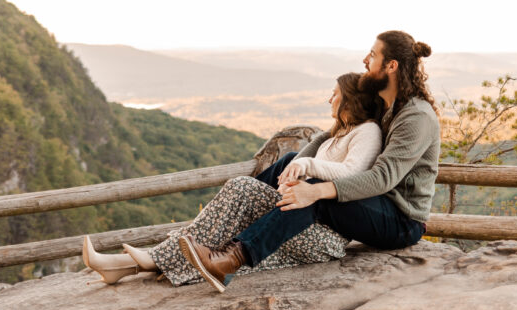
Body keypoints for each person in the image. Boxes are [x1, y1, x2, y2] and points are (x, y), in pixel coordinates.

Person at [177, 30, 440, 293]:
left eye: (372, 55)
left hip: (401, 219)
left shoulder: (415, 117)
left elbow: (383, 178)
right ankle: (231, 234)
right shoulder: (386, 105)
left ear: (391, 66)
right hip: (375, 201)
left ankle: (232, 260)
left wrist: (314, 190)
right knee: (291, 160)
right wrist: (297, 166)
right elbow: (330, 134)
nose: (365, 60)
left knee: (316, 193)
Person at [81, 71, 383, 287]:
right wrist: (298, 167)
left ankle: (145, 259)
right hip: (299, 220)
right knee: (236, 207)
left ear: (350, 102)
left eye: (336, 94)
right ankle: (124, 265)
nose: (330, 98)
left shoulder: (368, 131)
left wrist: (309, 167)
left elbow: (354, 174)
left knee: (242, 188)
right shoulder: (334, 135)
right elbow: (301, 164)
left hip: (323, 235)